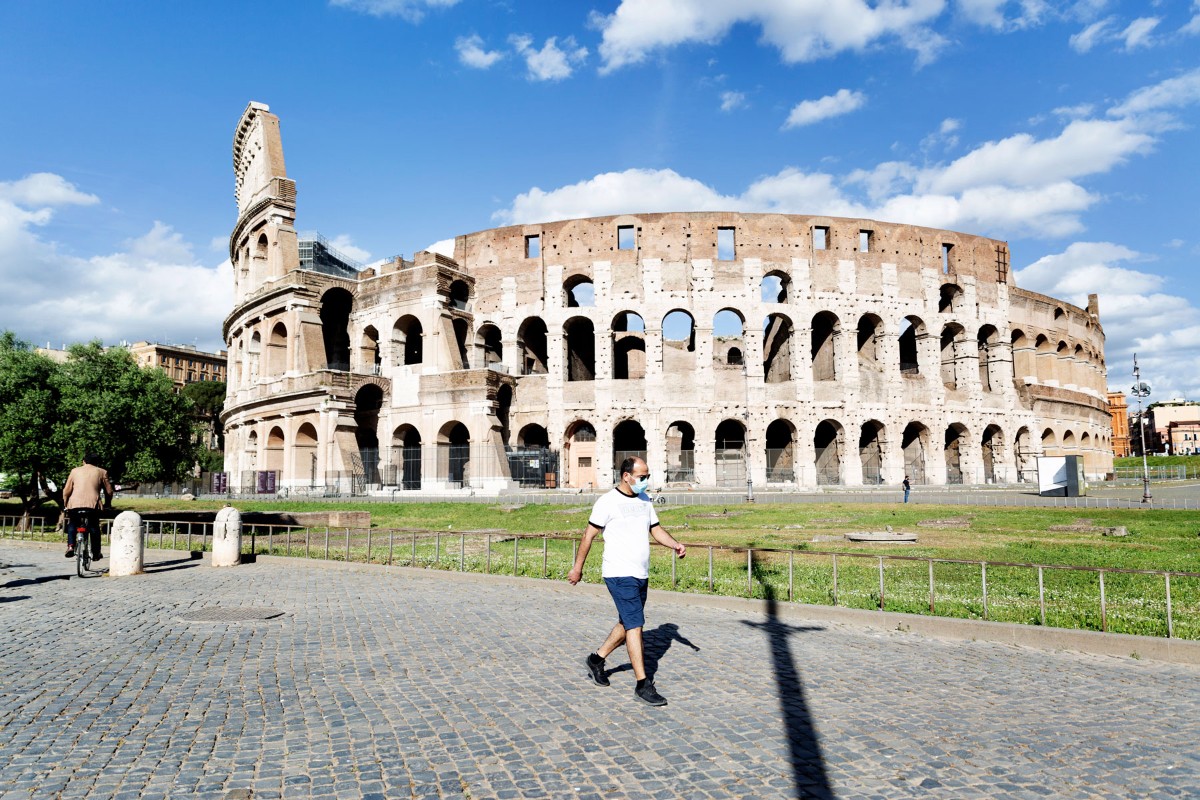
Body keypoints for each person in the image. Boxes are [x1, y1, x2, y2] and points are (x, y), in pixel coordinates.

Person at [567, 456, 686, 707]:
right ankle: (643, 684)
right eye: (642, 477)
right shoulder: (607, 502)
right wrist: (577, 568)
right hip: (618, 573)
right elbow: (588, 536)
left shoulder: (644, 500)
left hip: (640, 573)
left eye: (647, 476)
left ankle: (596, 659)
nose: (645, 481)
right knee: (635, 626)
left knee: (628, 621)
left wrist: (675, 544)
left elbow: (655, 529)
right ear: (626, 476)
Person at [62, 453, 113, 560]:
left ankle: (71, 546)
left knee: (72, 524)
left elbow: (66, 490)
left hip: (74, 504)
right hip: (92, 505)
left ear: (83, 461)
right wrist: (107, 504)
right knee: (94, 527)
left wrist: (66, 503)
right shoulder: (102, 472)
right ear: (96, 462)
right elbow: (109, 491)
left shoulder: (74, 471)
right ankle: (95, 552)